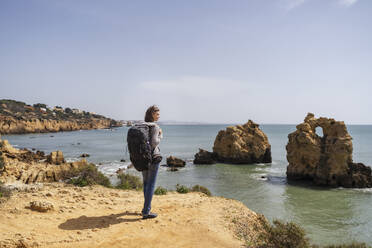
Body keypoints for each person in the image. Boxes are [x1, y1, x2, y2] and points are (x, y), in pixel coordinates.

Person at [141, 105, 163, 219]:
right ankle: (146, 211)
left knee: (145, 183)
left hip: (142, 158)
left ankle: (146, 208)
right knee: (151, 184)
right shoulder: (154, 126)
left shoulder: (142, 125)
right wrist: (161, 135)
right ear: (152, 114)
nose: (159, 116)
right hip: (153, 158)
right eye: (157, 114)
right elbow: (154, 143)